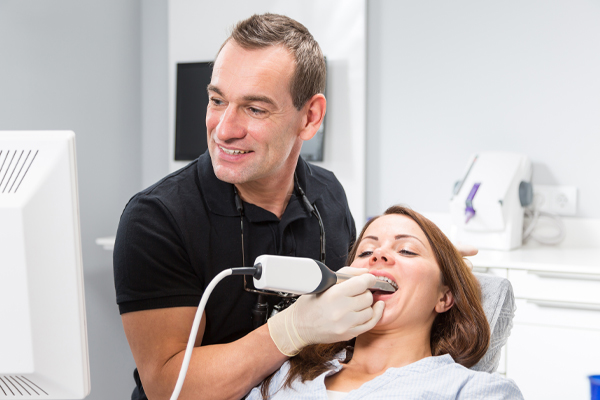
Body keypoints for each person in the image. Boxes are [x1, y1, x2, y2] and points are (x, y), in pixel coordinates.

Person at [114, 13, 478, 400]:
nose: (224, 129)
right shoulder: (156, 220)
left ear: (310, 117)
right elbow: (169, 388)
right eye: (217, 100)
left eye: (255, 109)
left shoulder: (328, 195)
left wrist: (425, 264)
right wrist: (291, 330)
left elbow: (353, 291)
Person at [247, 205, 524, 399]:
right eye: (366, 250)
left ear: (444, 296)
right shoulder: (286, 375)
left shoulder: (475, 392)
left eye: (407, 250)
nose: (378, 254)